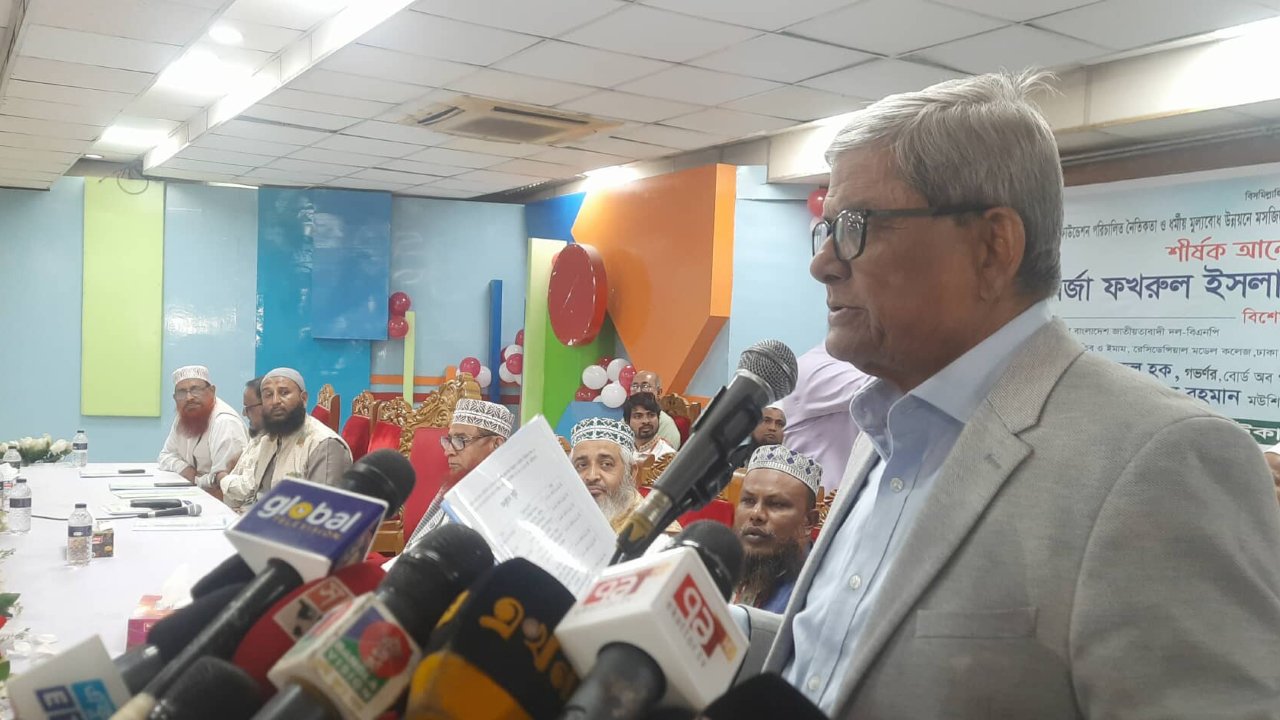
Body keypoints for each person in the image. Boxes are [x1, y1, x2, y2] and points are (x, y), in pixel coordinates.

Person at [739, 72, 1280, 718]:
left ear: (993, 247)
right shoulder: (884, 429)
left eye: (855, 225)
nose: (823, 262)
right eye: (826, 228)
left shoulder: (1161, 461)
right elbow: (852, 652)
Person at [219, 368, 352, 510]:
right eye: (268, 395)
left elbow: (321, 511)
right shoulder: (269, 439)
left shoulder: (325, 445)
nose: (275, 401)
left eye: (284, 393)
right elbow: (256, 493)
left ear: (303, 399)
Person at [406, 399, 513, 544]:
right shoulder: (455, 483)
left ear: (497, 445)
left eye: (461, 440)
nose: (448, 452)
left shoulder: (503, 500)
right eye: (450, 440)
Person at [733, 445, 821, 613]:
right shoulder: (719, 568)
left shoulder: (815, 595)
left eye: (776, 504)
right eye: (748, 501)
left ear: (808, 521)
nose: (756, 514)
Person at [778, 345, 870, 490]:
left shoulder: (859, 367)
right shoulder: (813, 367)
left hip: (847, 494)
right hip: (816, 499)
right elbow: (882, 388)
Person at [157, 365, 249, 497]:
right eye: (182, 392)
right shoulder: (184, 415)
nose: (189, 397)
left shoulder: (225, 422)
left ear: (212, 391)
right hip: (196, 493)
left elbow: (223, 482)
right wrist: (183, 468)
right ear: (175, 398)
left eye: (195, 390)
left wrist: (194, 479)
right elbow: (165, 455)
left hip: (223, 501)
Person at [629, 370, 682, 449]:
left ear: (659, 392)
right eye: (634, 386)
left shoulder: (666, 424)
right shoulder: (626, 416)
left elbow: (667, 455)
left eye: (645, 387)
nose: (638, 391)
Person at [727, 403, 787, 470]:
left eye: (779, 424)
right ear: (753, 426)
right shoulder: (735, 457)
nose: (772, 428)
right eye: (766, 421)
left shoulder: (790, 463)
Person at [623, 392, 675, 465]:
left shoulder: (667, 455)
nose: (646, 421)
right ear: (627, 422)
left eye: (651, 415)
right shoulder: (622, 451)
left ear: (658, 418)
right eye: (638, 416)